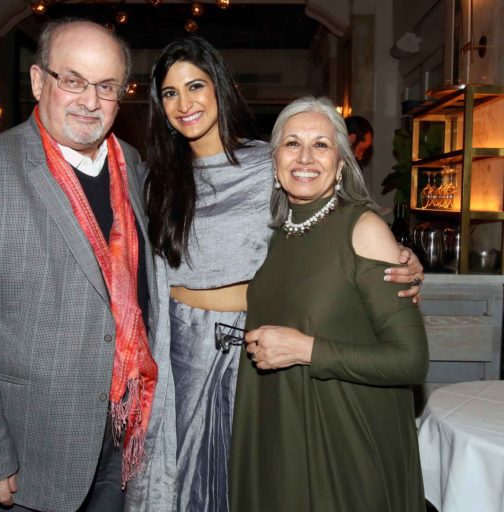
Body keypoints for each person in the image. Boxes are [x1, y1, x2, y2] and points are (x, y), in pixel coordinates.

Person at [126, 36, 424, 512]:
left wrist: (401, 255)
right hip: (182, 349)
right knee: (183, 487)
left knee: (257, 480)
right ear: (159, 107)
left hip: (255, 341)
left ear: (219, 88)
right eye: (169, 93)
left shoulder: (274, 162)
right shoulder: (154, 177)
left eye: (196, 85)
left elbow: (334, 218)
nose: (185, 103)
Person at [0, 19, 167, 512]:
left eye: (106, 87)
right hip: (29, 454)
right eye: (72, 80)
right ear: (38, 82)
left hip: (124, 442)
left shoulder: (133, 166)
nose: (89, 101)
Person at [230, 96, 429, 511]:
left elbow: (410, 360)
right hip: (282, 430)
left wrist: (306, 350)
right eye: (292, 143)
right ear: (275, 159)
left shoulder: (363, 227)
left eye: (321, 144)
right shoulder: (280, 232)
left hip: (343, 443)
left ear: (341, 163)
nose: (305, 157)